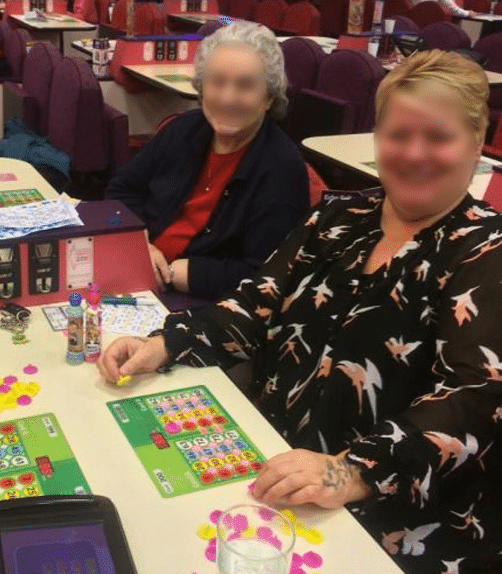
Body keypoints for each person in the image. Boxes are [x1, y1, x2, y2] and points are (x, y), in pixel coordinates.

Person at [99, 50, 502, 574]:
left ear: (478, 142)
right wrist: (169, 342)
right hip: (269, 460)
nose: (414, 154)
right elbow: (256, 300)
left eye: (438, 138)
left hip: (394, 512)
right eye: (398, 135)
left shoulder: (487, 250)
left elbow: (475, 397)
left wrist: (352, 470)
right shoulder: (340, 213)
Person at [105, 22, 309, 301]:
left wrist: (177, 274)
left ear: (268, 97)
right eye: (217, 82)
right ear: (202, 87)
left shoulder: (283, 169)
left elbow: (268, 274)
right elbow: (122, 188)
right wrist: (141, 244)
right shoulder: (185, 129)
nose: (228, 97)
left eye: (245, 85)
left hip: (203, 302)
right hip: (137, 265)